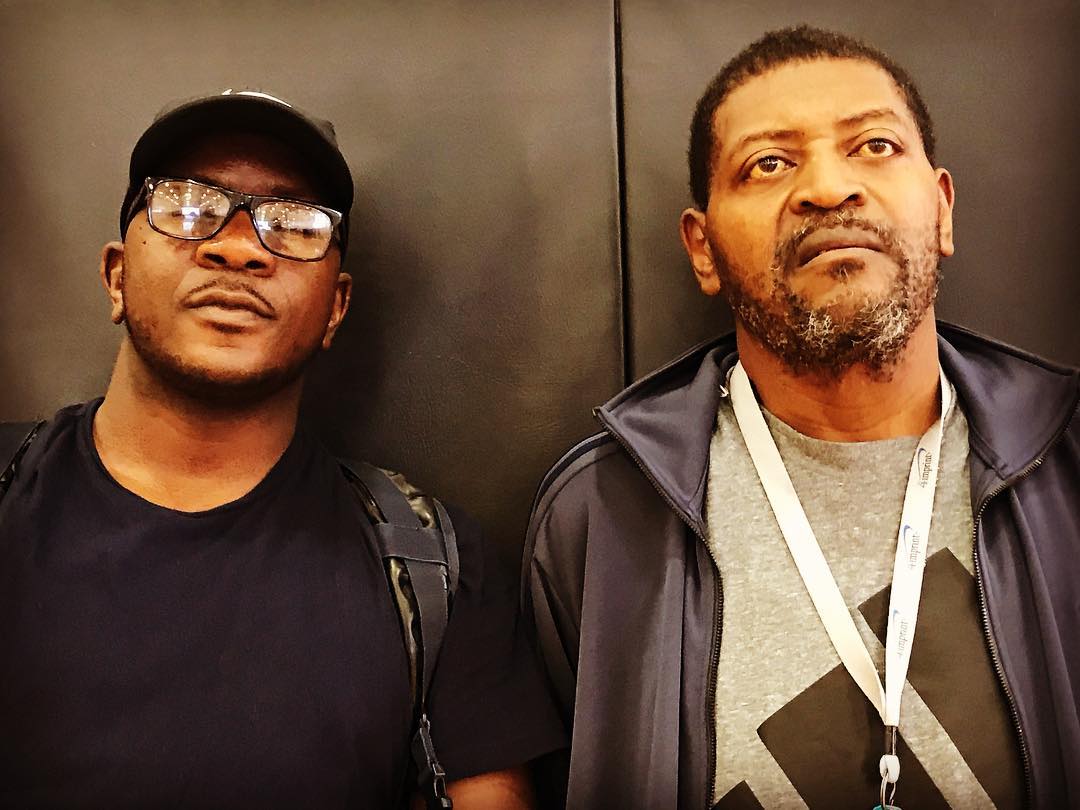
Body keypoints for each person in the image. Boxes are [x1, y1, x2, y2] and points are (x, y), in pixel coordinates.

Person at [524, 25, 1078, 810]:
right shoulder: (601, 516)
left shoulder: (1067, 467)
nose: (827, 186)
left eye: (875, 146)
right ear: (703, 249)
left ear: (942, 210)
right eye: (769, 163)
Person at [0, 90, 564, 809]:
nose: (236, 247)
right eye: (187, 206)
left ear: (336, 308)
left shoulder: (435, 569)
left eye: (293, 223)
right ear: (116, 275)